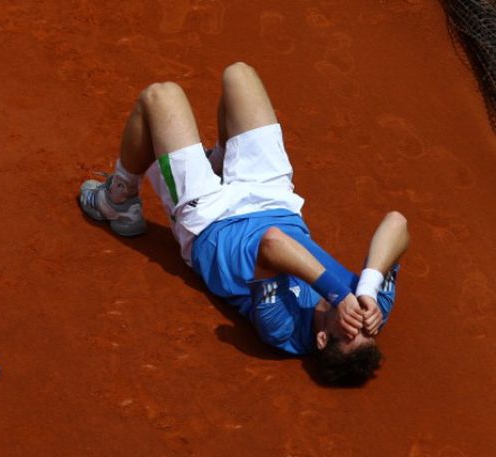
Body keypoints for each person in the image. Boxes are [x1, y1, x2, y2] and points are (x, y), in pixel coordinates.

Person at [78, 62, 409, 386]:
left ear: (322, 339)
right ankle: (219, 163)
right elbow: (397, 224)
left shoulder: (283, 330)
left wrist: (339, 295)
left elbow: (273, 243)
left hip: (209, 219)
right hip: (272, 199)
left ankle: (117, 201)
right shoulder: (368, 306)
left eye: (352, 331)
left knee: (160, 96)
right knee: (240, 76)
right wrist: (366, 288)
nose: (363, 323)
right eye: (369, 331)